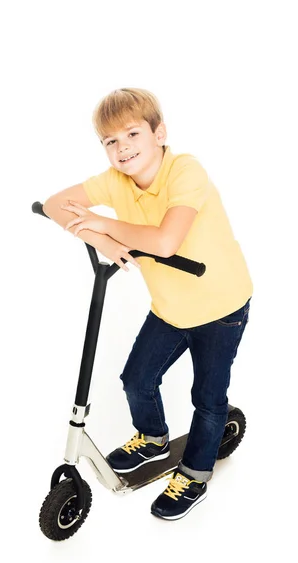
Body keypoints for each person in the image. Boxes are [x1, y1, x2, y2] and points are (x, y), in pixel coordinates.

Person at [43, 88, 253, 521]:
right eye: (110, 141)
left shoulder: (185, 171)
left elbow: (165, 241)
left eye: (132, 134)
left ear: (159, 133)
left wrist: (102, 221)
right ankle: (154, 438)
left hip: (221, 308)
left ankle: (194, 474)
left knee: (208, 400)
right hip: (172, 306)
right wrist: (99, 238)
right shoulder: (114, 180)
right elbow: (53, 204)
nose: (122, 148)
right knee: (136, 379)